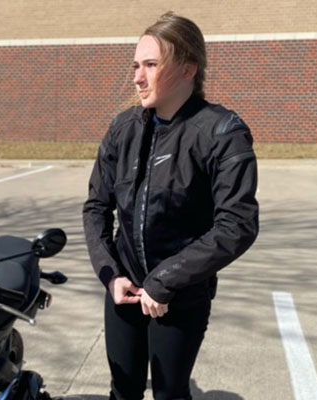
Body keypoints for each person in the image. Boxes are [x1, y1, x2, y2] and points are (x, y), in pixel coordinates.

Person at [82, 12, 259, 400]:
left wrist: (164, 282)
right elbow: (96, 207)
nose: (136, 77)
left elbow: (237, 224)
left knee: (170, 393)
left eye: (150, 65)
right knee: (124, 389)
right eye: (135, 65)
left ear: (187, 69)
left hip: (180, 296)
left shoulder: (222, 132)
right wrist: (109, 274)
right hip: (124, 290)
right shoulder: (123, 128)